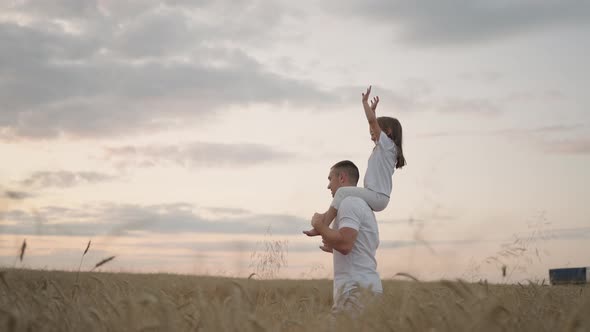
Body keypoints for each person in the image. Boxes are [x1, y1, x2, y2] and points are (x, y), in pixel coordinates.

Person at [304, 85, 406, 237]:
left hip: (377, 196)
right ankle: (330, 239)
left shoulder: (388, 147)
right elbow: (373, 122)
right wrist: (374, 114)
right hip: (376, 196)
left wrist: (365, 104)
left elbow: (372, 121)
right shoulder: (384, 149)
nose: (372, 133)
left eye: (374, 131)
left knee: (342, 192)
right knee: (346, 202)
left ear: (388, 132)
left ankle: (322, 226)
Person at [310, 160, 382, 315]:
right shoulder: (362, 205)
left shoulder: (349, 202)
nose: (328, 186)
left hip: (355, 292)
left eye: (330, 179)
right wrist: (332, 244)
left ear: (342, 178)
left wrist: (318, 225)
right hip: (363, 290)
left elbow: (345, 245)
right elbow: (354, 247)